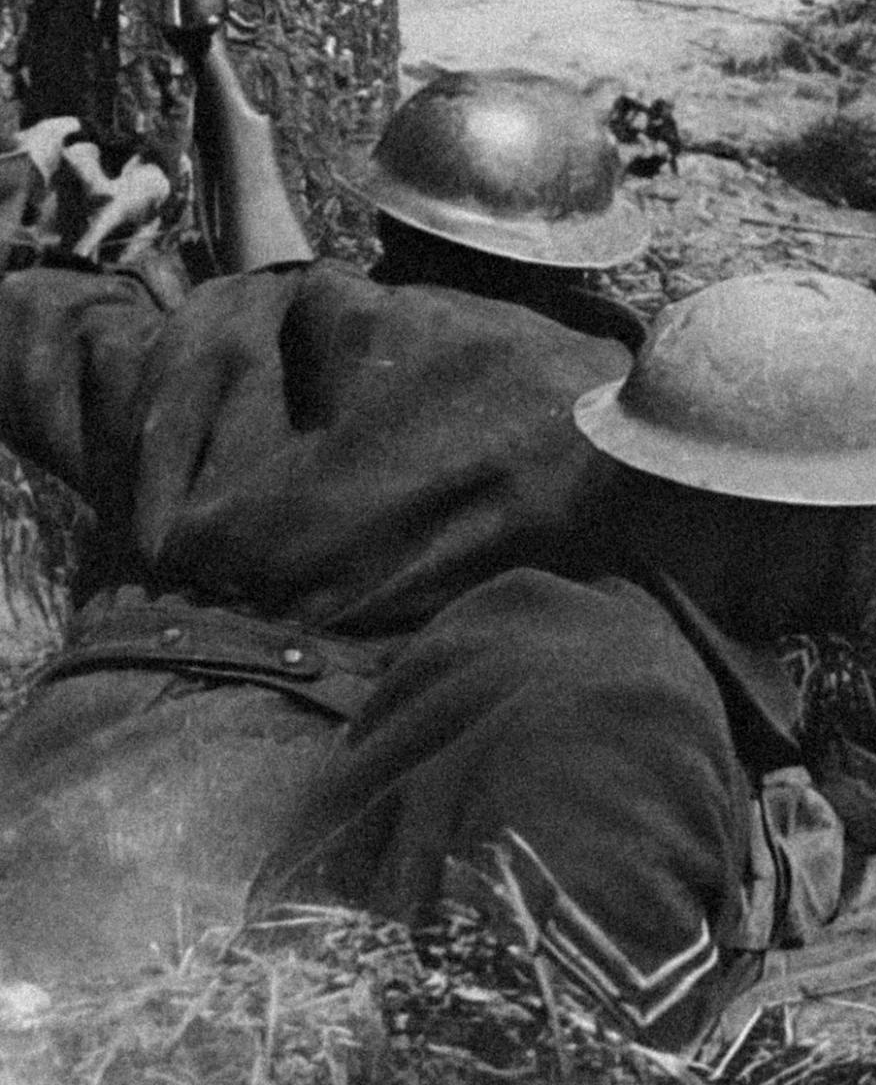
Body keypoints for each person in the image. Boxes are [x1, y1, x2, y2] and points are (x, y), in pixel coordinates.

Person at [0, 68, 658, 986]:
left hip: (51, 780)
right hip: (297, 846)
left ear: (387, 216)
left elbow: (45, 335)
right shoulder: (616, 411)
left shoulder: (237, 323)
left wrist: (65, 244)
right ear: (587, 253)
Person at [251, 268, 876, 1047]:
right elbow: (593, 1054)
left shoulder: (569, 625)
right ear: (796, 523)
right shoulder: (622, 721)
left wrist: (841, 941)